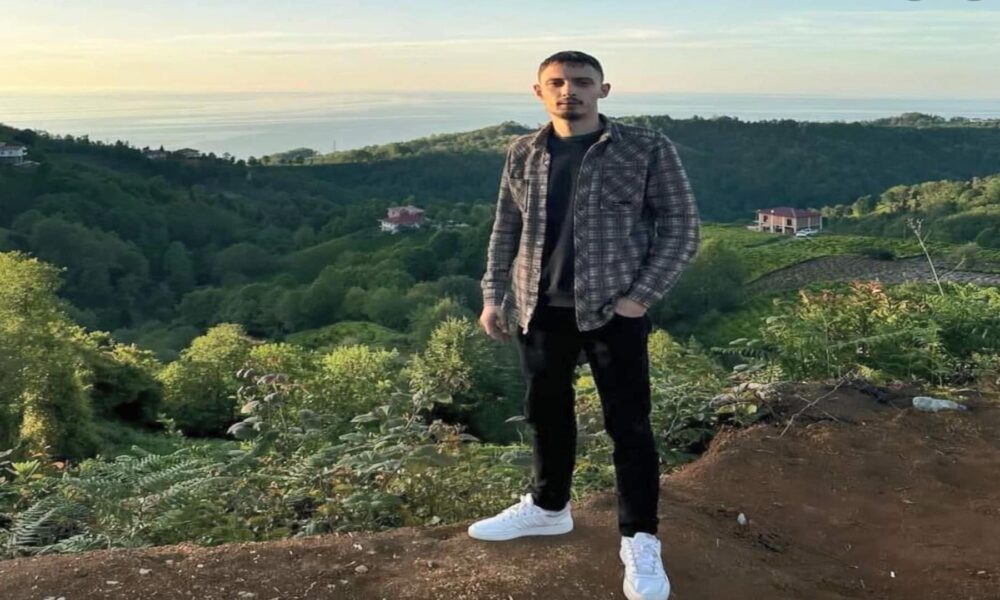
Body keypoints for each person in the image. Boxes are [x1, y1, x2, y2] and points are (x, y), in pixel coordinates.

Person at [469, 50, 701, 600]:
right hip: (538, 309)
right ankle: (549, 507)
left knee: (629, 426)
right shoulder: (523, 151)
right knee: (545, 414)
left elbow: (682, 229)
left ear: (603, 89)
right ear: (539, 91)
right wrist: (493, 295)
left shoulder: (646, 148)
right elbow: (506, 227)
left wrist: (638, 300)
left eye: (580, 81)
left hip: (613, 310)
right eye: (556, 82)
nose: (568, 90)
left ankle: (640, 537)